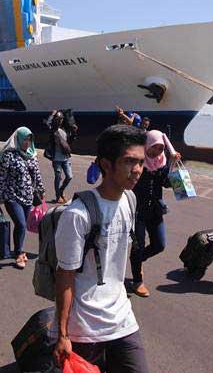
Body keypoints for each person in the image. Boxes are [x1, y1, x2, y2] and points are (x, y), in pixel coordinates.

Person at [53, 124, 150, 372]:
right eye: (129, 161)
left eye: (141, 161)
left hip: (122, 318)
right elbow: (65, 277)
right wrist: (63, 334)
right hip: (84, 327)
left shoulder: (130, 199)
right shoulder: (77, 215)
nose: (137, 169)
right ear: (106, 165)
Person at [130, 130, 180, 297]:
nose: (157, 152)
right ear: (147, 145)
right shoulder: (137, 162)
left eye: (161, 148)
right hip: (137, 210)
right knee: (138, 246)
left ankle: (138, 260)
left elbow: (167, 183)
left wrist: (173, 164)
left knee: (160, 245)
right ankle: (137, 280)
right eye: (155, 147)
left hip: (155, 210)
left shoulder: (162, 162)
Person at [0, 127, 45, 269]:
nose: (27, 142)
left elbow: (37, 175)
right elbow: (2, 177)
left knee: (22, 226)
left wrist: (41, 189)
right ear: (18, 139)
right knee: (21, 224)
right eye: (25, 139)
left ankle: (19, 249)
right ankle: (19, 253)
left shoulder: (32, 155)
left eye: (29, 140)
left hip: (28, 197)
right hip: (12, 196)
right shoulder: (9, 156)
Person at [45, 111, 74, 204]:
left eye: (61, 119)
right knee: (58, 176)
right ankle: (58, 196)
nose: (60, 121)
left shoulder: (64, 130)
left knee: (69, 176)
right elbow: (47, 123)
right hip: (56, 158)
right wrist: (52, 115)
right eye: (58, 119)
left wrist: (74, 131)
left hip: (65, 158)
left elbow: (69, 141)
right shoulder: (53, 130)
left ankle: (60, 191)